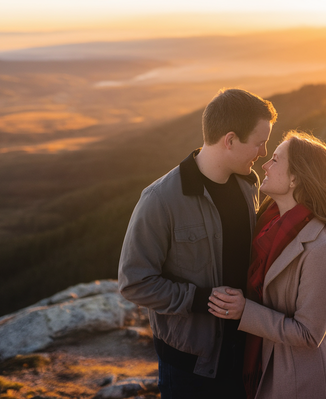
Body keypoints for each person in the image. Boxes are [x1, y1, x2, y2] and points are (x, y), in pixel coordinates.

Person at [118, 88, 277, 399]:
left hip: (244, 352)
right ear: (230, 140)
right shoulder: (160, 199)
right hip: (190, 367)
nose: (263, 152)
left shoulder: (249, 184)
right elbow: (133, 283)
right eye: (259, 143)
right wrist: (202, 299)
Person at [208, 130, 326, 399]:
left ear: (295, 178)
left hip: (299, 379)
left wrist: (244, 311)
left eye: (275, 160)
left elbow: (310, 333)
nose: (265, 164)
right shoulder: (266, 224)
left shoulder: (321, 247)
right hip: (264, 362)